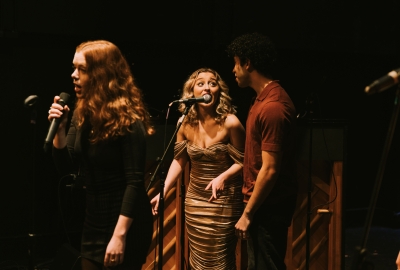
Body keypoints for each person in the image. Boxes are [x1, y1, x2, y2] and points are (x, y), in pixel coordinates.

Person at [48, 40, 154, 270]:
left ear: (101, 75)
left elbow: (134, 183)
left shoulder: (129, 120)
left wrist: (119, 236)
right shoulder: (82, 114)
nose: (73, 75)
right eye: (74, 68)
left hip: (126, 222)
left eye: (82, 70)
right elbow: (66, 168)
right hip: (95, 219)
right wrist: (61, 129)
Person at [150, 68, 245, 270]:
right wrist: (163, 191)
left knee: (220, 259)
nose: (206, 87)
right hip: (195, 201)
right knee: (198, 260)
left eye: (212, 83)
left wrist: (223, 177)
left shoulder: (231, 122)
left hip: (224, 201)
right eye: (200, 83)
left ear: (219, 90)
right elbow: (179, 161)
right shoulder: (184, 123)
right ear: (191, 92)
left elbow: (244, 161)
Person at [227, 32, 298, 270]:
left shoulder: (273, 107)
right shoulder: (260, 100)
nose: (233, 70)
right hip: (261, 205)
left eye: (236, 63)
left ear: (248, 63)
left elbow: (270, 169)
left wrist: (248, 214)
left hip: (269, 207)